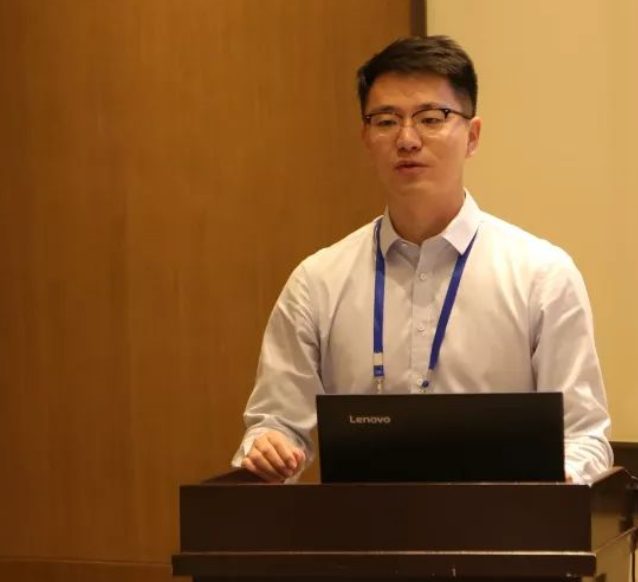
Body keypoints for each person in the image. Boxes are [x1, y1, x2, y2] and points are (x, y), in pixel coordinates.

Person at [232, 35, 612, 484]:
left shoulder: (541, 276)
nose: (407, 139)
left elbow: (585, 436)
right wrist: (269, 445)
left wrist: (558, 482)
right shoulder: (317, 282)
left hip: (502, 524)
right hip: (360, 525)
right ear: (366, 137)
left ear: (472, 136)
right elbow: (276, 424)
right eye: (386, 121)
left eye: (431, 118)